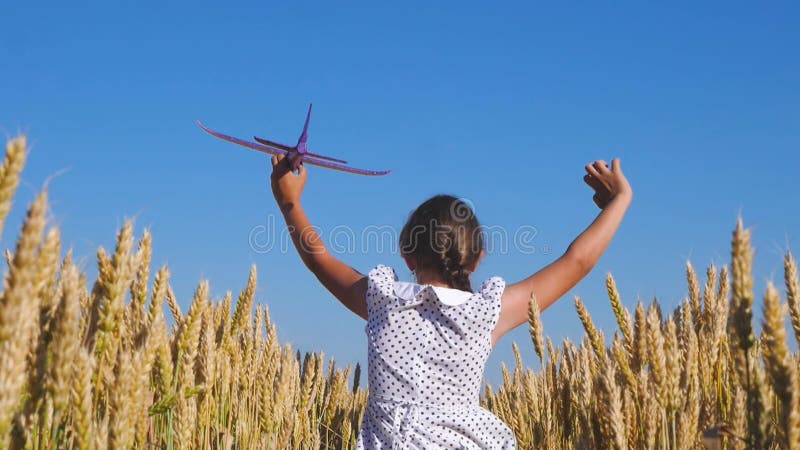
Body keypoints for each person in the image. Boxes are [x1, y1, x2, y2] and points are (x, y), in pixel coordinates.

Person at [269, 154, 632, 449]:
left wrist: (289, 201)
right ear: (477, 259)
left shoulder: (382, 301)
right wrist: (617, 202)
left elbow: (319, 260)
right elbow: (577, 262)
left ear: (406, 255)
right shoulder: (486, 312)